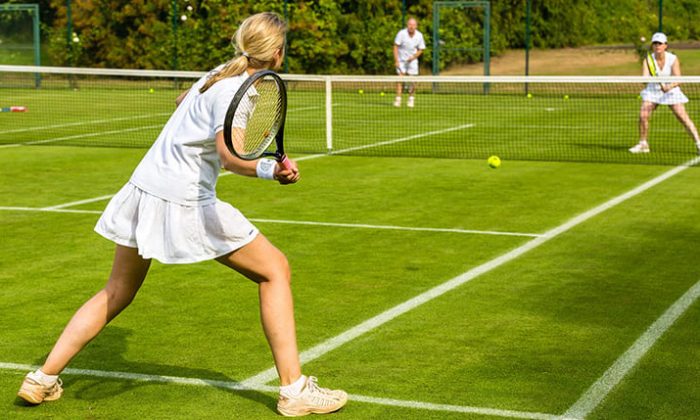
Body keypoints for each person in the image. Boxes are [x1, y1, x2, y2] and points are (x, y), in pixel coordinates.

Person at [16, 12, 347, 417]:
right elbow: (229, 155)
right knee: (275, 270)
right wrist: (269, 169)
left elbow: (182, 104)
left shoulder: (217, 75)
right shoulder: (235, 90)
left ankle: (42, 378)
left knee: (117, 291)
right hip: (183, 198)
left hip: (144, 188)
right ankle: (294, 390)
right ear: (277, 52)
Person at [630, 32, 700, 155]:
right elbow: (645, 79)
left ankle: (698, 142)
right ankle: (643, 144)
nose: (657, 46)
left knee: (682, 117)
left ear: (665, 45)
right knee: (643, 115)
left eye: (660, 43)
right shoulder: (648, 60)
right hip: (653, 91)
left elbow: (678, 79)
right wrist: (654, 81)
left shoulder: (673, 59)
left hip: (671, 91)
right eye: (655, 43)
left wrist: (669, 86)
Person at [393, 17, 426, 108]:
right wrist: (396, 60)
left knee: (413, 80)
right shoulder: (401, 33)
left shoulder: (419, 35)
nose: (411, 27)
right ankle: (398, 99)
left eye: (413, 25)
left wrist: (413, 57)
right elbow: (395, 46)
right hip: (401, 60)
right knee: (400, 79)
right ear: (407, 25)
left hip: (413, 61)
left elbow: (421, 49)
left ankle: (411, 99)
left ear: (416, 26)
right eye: (410, 24)